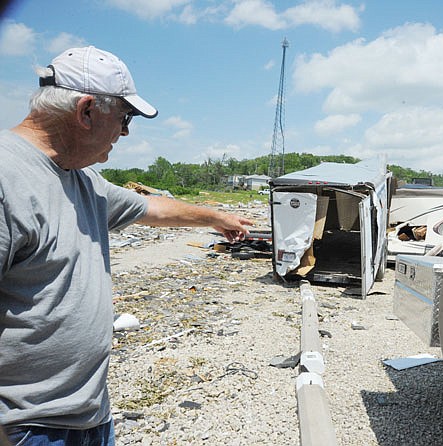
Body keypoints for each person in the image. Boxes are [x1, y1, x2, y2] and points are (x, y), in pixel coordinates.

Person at [0, 46, 254, 445]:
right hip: (26, 428)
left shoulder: (82, 181)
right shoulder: (7, 177)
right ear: (86, 111)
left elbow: (152, 207)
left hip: (90, 417)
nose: (126, 133)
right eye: (124, 117)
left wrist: (217, 218)